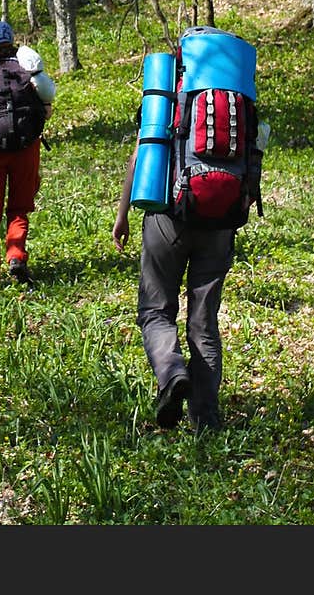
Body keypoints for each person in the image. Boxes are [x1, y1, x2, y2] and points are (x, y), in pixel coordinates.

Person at [112, 147, 234, 434]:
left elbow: (142, 153)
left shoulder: (166, 99)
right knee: (204, 324)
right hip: (220, 220)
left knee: (156, 310)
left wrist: (123, 213)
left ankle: (172, 373)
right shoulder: (240, 100)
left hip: (167, 214)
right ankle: (205, 419)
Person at [0, 20, 53, 287]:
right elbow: (46, 106)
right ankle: (16, 254)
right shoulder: (27, 69)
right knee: (19, 208)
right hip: (26, 149)